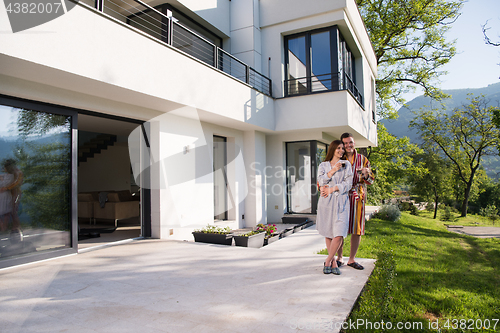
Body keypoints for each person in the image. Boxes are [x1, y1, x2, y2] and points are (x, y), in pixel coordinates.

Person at [336, 133, 374, 270]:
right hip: (342, 197)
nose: (348, 145)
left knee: (356, 229)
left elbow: (371, 181)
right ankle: (339, 258)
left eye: (350, 142)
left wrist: (365, 174)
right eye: (345, 143)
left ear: (354, 143)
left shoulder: (363, 160)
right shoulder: (339, 158)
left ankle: (351, 260)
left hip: (358, 197)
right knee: (340, 228)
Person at [316, 140, 353, 275]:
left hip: (341, 202)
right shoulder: (323, 165)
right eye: (338, 148)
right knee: (328, 232)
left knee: (339, 234)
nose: (341, 150)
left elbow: (348, 184)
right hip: (326, 203)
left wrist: (332, 189)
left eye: (342, 148)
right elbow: (320, 182)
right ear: (332, 149)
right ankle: (332, 263)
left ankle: (327, 260)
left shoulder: (346, 165)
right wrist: (332, 170)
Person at [0, 159, 24, 243]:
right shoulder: (9, 174)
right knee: (10, 211)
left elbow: (17, 183)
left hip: (15, 194)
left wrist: (6, 188)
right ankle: (8, 229)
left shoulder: (18, 173)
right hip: (8, 196)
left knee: (13, 211)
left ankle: (15, 229)